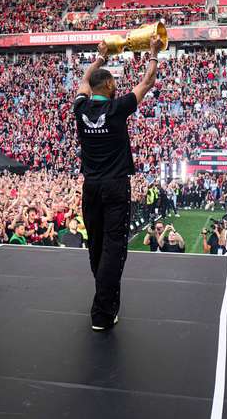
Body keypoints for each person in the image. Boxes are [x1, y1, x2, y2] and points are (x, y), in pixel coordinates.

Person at [73, 35, 163, 331]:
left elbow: (84, 81)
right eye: (113, 83)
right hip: (115, 186)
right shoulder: (118, 108)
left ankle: (106, 303)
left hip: (91, 187)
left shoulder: (81, 108)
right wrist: (152, 51)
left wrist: (100, 58)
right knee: (113, 248)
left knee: (96, 247)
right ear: (110, 86)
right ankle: (101, 312)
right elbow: (147, 82)